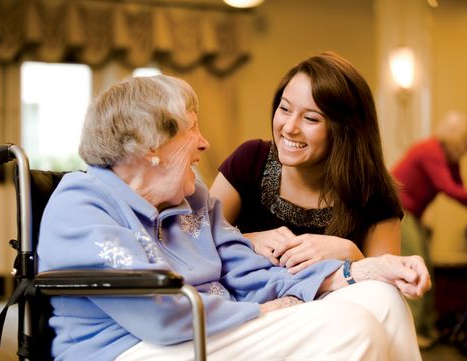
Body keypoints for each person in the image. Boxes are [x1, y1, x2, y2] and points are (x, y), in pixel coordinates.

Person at [37, 74, 431, 361]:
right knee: (349, 327)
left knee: (379, 298)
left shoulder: (194, 200)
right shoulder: (82, 206)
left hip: (217, 331)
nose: (205, 143)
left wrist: (356, 273)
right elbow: (158, 315)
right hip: (136, 348)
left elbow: (251, 272)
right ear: (150, 147)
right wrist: (260, 312)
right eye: (192, 129)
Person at [210, 51, 403, 274]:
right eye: (284, 109)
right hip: (250, 307)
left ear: (345, 131)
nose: (290, 127)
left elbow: (385, 295)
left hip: (336, 309)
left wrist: (352, 254)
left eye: (310, 118)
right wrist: (249, 240)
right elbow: (194, 244)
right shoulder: (250, 159)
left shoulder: (374, 192)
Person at [391, 110, 467, 345]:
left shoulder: (449, 159)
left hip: (412, 215)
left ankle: (426, 329)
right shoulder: (431, 150)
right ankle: (411, 334)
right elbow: (448, 188)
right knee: (413, 271)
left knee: (427, 270)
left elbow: (460, 189)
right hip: (396, 211)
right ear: (457, 138)